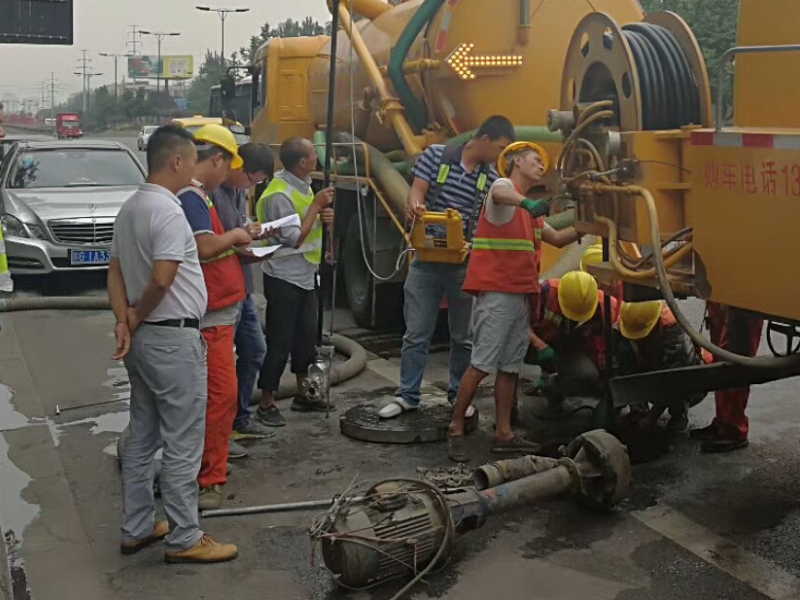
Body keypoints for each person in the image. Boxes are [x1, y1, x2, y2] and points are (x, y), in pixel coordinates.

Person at [109, 124, 237, 564]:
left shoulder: (131, 207)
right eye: (191, 161)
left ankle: (138, 526)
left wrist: (124, 320)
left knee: (144, 436)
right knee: (184, 441)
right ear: (176, 162)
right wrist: (137, 315)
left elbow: (114, 271)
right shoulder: (167, 212)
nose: (196, 171)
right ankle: (184, 537)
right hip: (170, 336)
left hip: (146, 339)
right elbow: (163, 277)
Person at [447, 142, 580, 461]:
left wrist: (593, 225)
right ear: (516, 161)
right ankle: (455, 427)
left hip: (519, 296)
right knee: (482, 363)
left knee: (509, 367)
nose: (540, 166)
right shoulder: (503, 189)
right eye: (535, 160)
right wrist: (528, 203)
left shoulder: (530, 214)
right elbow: (501, 193)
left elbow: (559, 238)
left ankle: (504, 433)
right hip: (497, 293)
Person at [380, 115, 516, 419]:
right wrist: (415, 205)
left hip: (462, 267)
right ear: (482, 138)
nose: (500, 154)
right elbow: (417, 191)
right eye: (499, 147)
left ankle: (459, 395)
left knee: (463, 337)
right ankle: (407, 395)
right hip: (426, 263)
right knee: (416, 333)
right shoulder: (435, 156)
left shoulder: (491, 179)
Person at [178, 124, 255, 510]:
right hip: (210, 318)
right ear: (216, 159)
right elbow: (205, 247)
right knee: (218, 399)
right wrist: (239, 237)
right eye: (227, 167)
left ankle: (204, 470)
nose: (229, 177)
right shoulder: (192, 197)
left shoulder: (202, 196)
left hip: (220, 311)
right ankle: (208, 477)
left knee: (216, 398)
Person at [254, 136, 334, 426]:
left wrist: (325, 224)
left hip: (306, 275)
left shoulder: (304, 185)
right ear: (302, 162)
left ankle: (306, 393)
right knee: (280, 340)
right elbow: (294, 238)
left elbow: (310, 231)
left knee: (306, 338)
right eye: (313, 154)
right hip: (283, 276)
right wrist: (315, 207)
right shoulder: (279, 194)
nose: (317, 158)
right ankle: (266, 402)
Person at [212, 142, 276, 447]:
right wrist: (240, 241)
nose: (254, 186)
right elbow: (210, 244)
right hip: (220, 294)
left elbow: (238, 228)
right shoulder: (209, 195)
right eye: (255, 179)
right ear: (239, 167)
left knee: (254, 351)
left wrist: (255, 233)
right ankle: (220, 435)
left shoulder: (237, 191)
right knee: (219, 370)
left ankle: (240, 418)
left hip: (242, 288)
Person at [533, 270, 620, 405]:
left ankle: (553, 387)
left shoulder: (606, 307)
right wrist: (539, 345)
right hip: (536, 343)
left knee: (587, 376)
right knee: (509, 353)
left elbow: (604, 345)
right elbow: (516, 323)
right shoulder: (545, 292)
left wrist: (604, 373)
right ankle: (509, 406)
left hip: (569, 348)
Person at [614, 300, 703, 432]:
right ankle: (639, 410)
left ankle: (679, 412)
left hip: (682, 374)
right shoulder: (628, 319)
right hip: (649, 360)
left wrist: (652, 418)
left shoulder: (674, 332)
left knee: (680, 381)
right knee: (623, 350)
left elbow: (672, 378)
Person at [690, 303, 763, 452]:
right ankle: (722, 422)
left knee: (735, 360)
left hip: (743, 298)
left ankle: (734, 429)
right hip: (722, 296)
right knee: (721, 360)